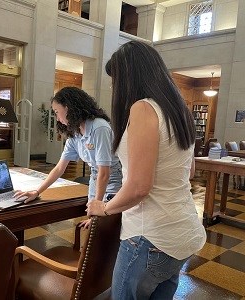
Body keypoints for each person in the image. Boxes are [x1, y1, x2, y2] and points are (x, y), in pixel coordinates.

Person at [87, 41, 206, 299]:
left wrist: (103, 207)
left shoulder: (143, 108)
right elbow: (189, 171)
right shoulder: (179, 110)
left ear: (129, 77)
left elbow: (140, 186)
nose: (112, 86)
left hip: (150, 237)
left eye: (115, 79)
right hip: (183, 233)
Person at [14, 86, 122, 227]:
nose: (57, 118)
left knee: (103, 226)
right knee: (94, 226)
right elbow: (59, 168)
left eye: (57, 112)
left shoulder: (99, 127)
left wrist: (98, 206)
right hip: (95, 180)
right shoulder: (75, 133)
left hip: (112, 182)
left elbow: (105, 172)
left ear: (69, 107)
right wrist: (37, 191)